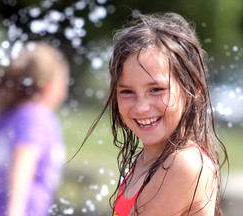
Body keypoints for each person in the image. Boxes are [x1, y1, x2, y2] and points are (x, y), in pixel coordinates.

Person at [84, 12, 228, 215]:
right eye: (127, 92)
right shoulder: (149, 159)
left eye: (156, 89)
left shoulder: (184, 164)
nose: (141, 107)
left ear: (193, 89)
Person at [0, 41, 69, 216]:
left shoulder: (0, 118)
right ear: (49, 86)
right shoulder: (37, 116)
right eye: (64, 80)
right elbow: (24, 160)